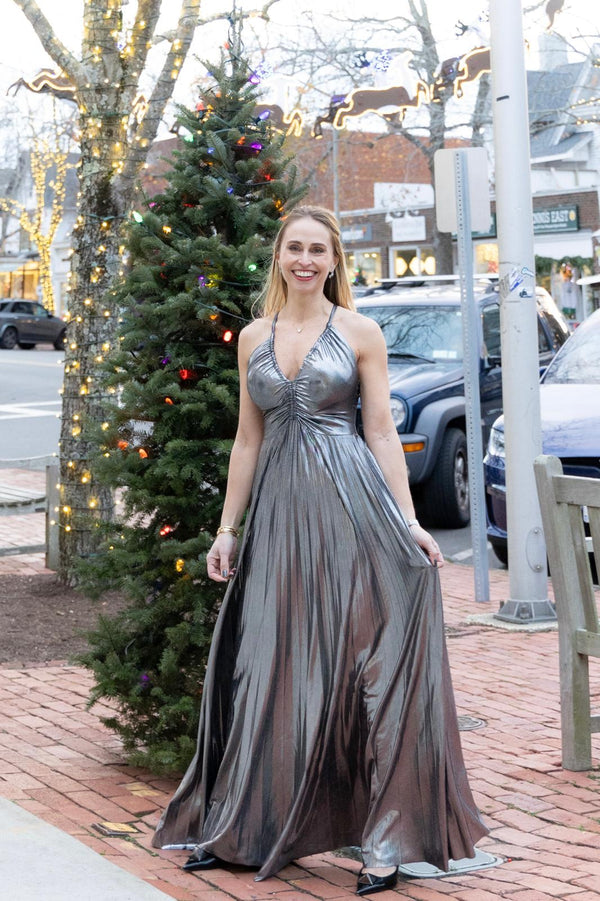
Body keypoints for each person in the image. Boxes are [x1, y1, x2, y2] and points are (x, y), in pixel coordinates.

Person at [152, 206, 488, 895]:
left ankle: (388, 840)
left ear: (334, 261)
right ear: (279, 256)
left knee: (365, 663)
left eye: (318, 250)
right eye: (294, 248)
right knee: (269, 663)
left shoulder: (360, 331)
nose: (305, 260)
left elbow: (381, 432)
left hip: (351, 507)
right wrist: (226, 528)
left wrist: (409, 520)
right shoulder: (254, 336)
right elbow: (248, 439)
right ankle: (247, 826)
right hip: (279, 516)